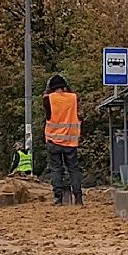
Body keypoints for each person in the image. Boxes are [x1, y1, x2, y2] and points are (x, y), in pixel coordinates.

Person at [42, 73, 83, 205]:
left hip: (53, 140)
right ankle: (78, 198)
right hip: (71, 141)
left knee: (56, 169)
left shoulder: (48, 99)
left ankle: (58, 198)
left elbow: (47, 107)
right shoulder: (73, 98)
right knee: (73, 169)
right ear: (65, 86)